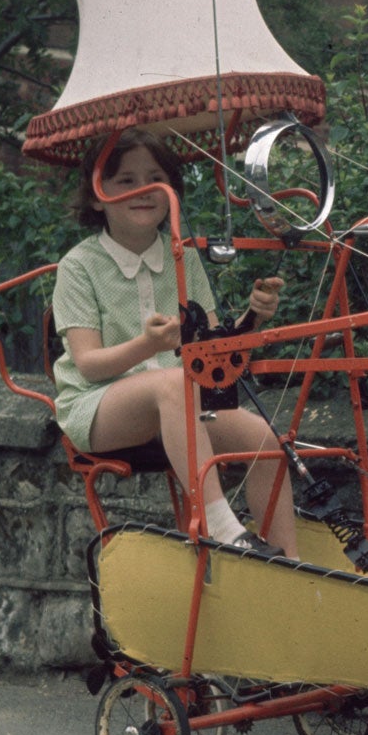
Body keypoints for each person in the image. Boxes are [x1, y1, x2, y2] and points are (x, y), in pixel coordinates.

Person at [52, 134, 297, 558]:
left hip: (181, 404)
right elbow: (88, 365)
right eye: (125, 180)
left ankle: (290, 563)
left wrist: (253, 317)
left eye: (156, 178)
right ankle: (222, 529)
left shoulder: (181, 256)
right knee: (172, 383)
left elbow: (212, 351)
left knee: (263, 437)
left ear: (173, 191)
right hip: (98, 407)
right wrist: (148, 345)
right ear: (96, 197)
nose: (144, 190)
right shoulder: (79, 266)